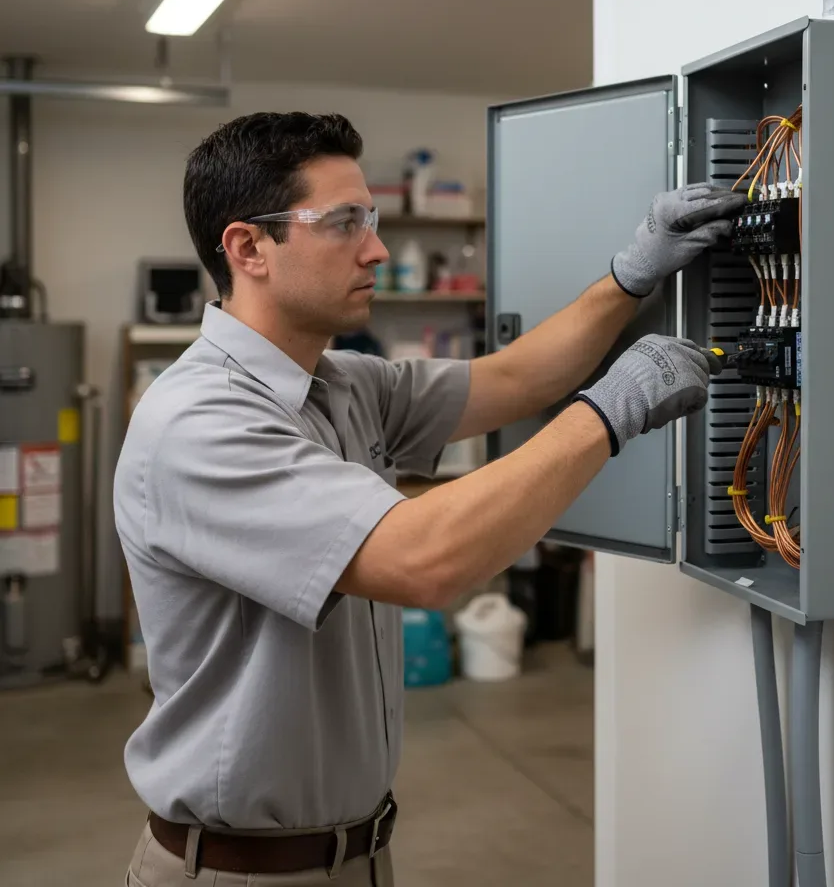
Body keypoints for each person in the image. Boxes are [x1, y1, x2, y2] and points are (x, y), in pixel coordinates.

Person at [114, 111, 744, 886]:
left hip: (361, 853)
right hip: (239, 873)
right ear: (249, 248)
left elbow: (517, 379)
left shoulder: (345, 383)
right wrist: (610, 413)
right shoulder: (198, 423)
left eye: (371, 220)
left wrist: (631, 275)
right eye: (344, 222)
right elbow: (425, 561)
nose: (375, 247)